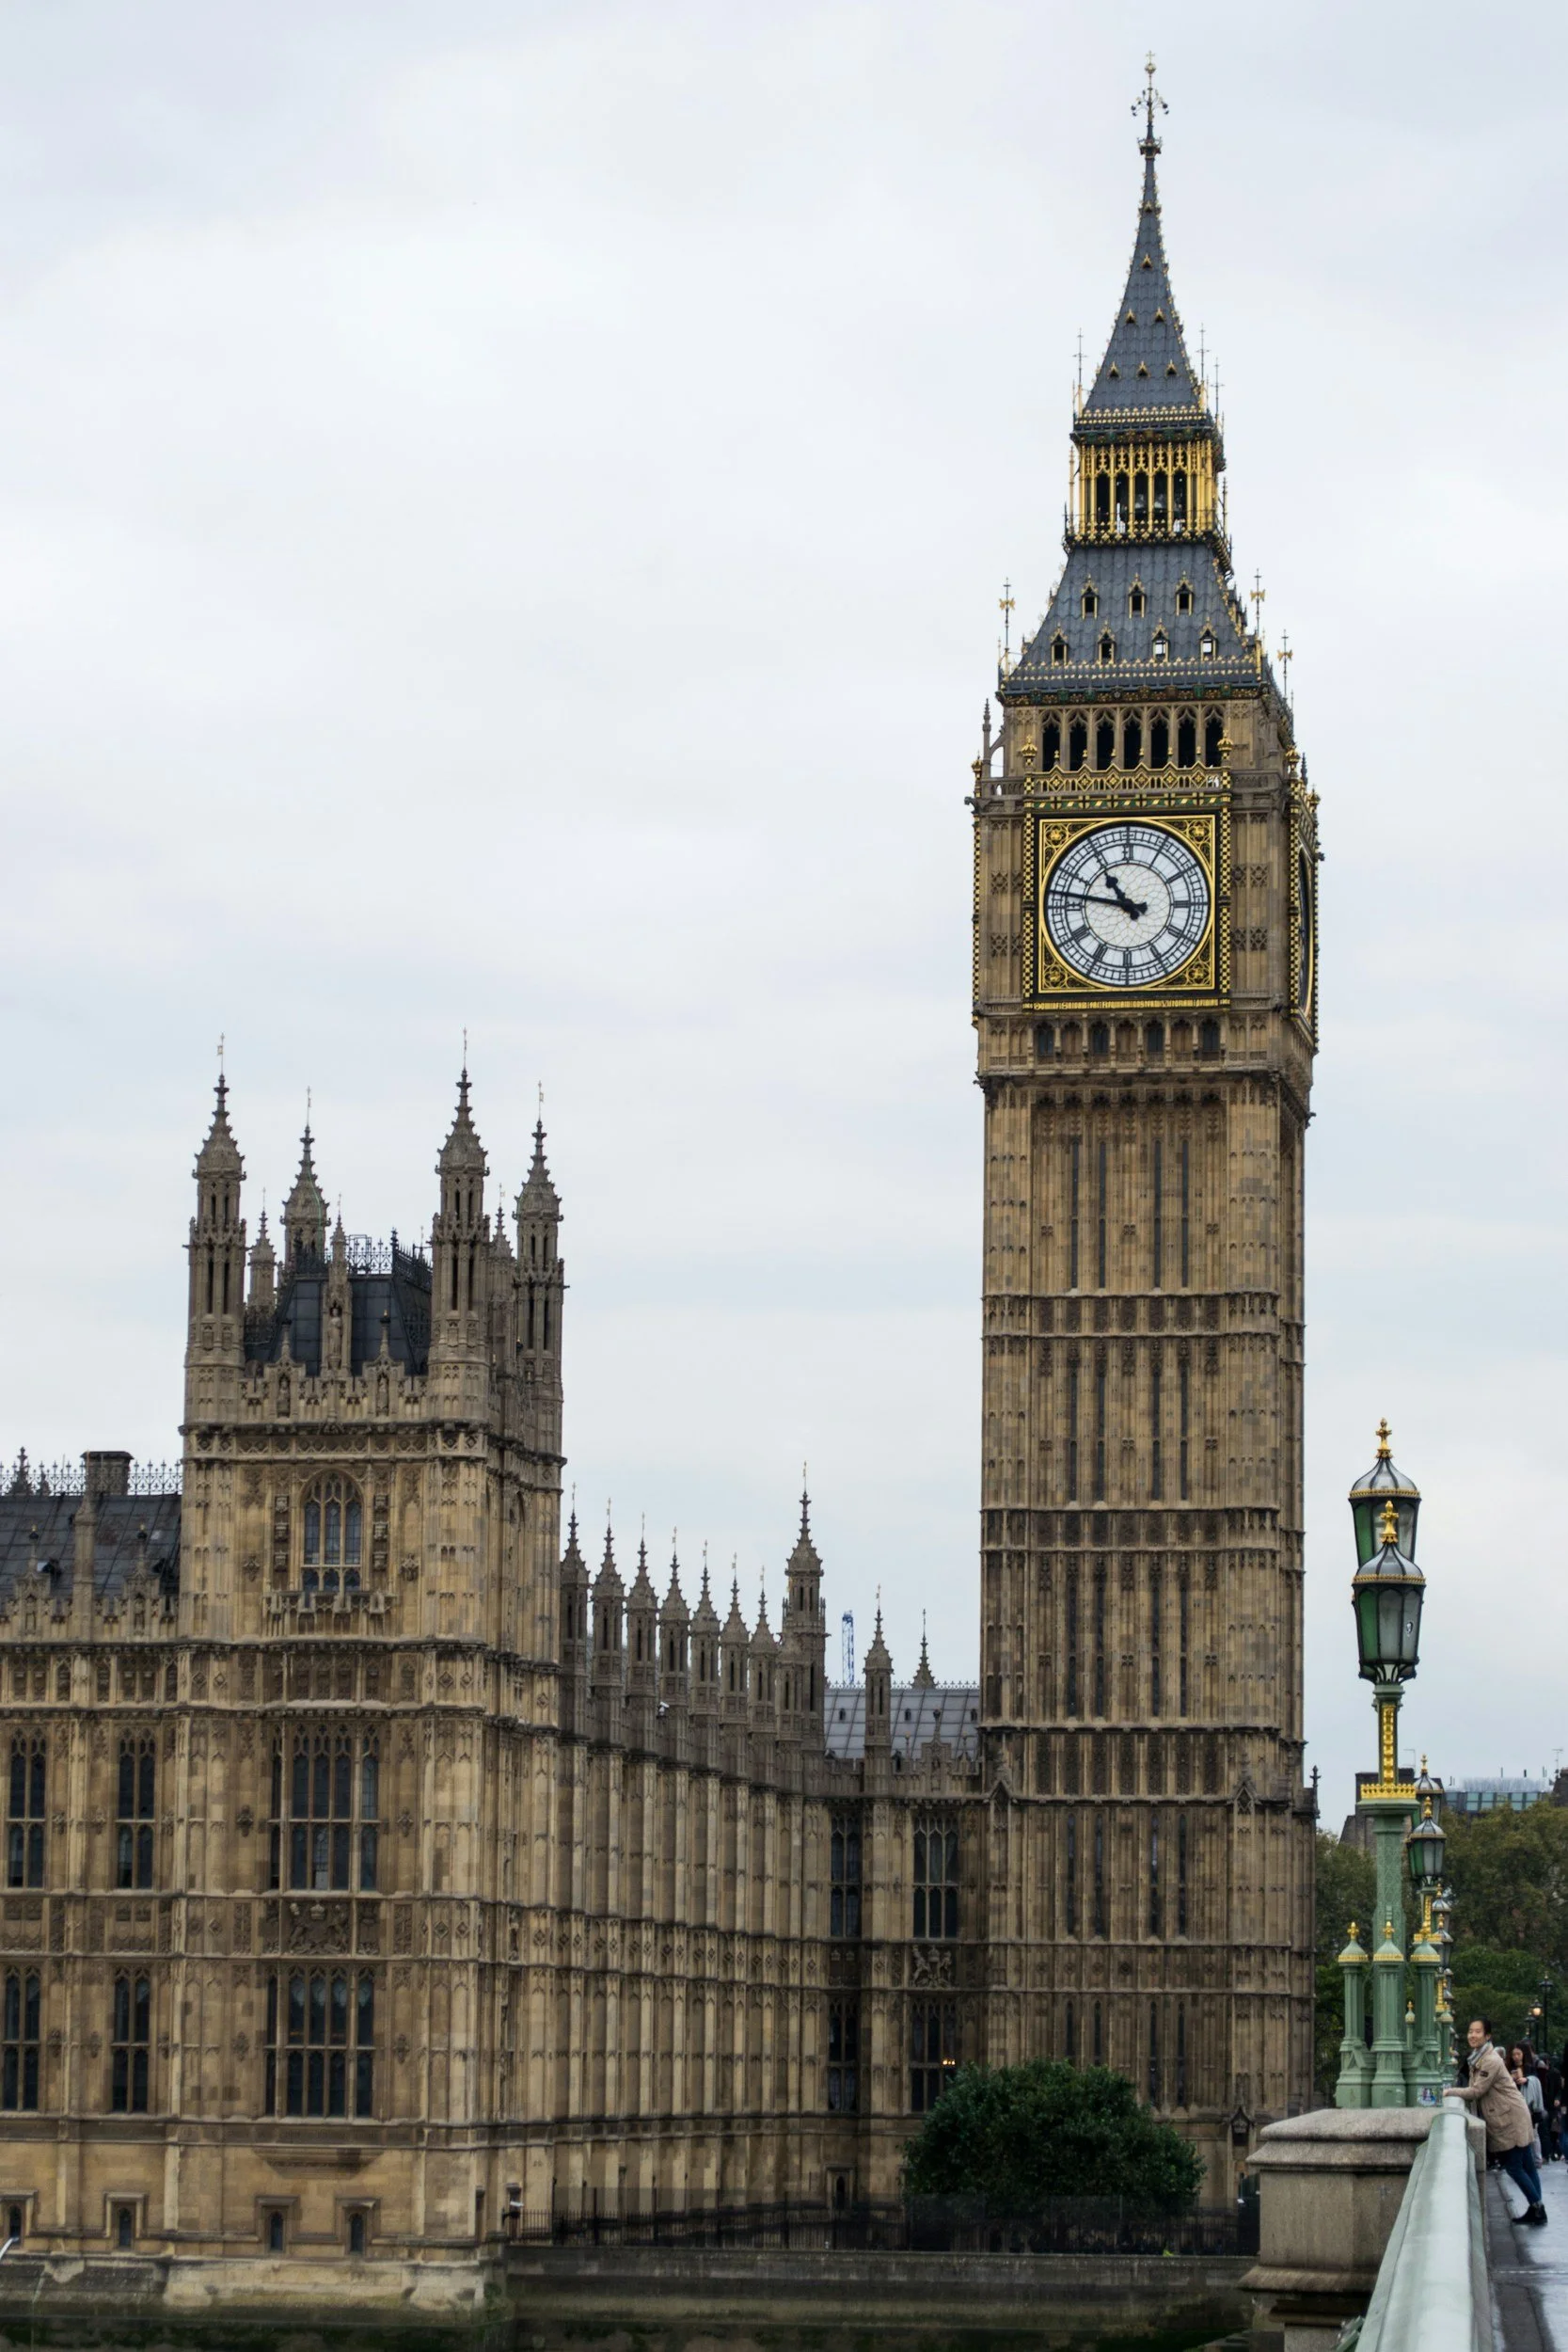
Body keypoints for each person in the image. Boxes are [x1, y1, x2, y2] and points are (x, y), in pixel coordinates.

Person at [1451, 2019, 1547, 2226]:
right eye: (1470, 2031)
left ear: (1488, 2036)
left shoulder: (1490, 2060)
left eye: (1478, 2032)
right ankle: (1537, 2208)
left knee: (1514, 2167)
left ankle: (1538, 2207)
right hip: (1513, 2114)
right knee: (1528, 2165)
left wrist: (1448, 2092)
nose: (1472, 2035)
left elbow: (1477, 2091)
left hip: (1510, 2118)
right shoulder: (1478, 2058)